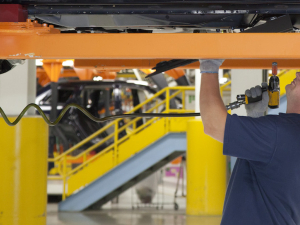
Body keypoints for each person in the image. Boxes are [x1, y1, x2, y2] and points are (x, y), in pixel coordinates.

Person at [199, 59, 300, 225]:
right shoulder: (285, 134)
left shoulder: (281, 133)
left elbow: (213, 124)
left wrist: (209, 66)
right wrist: (256, 119)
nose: (297, 73)